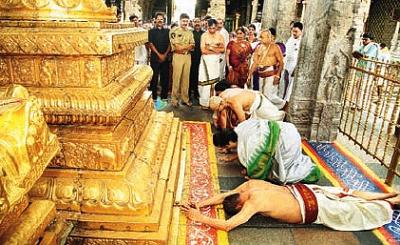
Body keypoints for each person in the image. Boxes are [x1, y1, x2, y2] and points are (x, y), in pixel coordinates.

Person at [181, 179, 397, 232]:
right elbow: (223, 196)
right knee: (347, 194)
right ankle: (388, 196)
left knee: (354, 210)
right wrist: (199, 203)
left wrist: (200, 217)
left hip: (312, 204)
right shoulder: (249, 187)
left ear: (239, 206)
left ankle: (389, 202)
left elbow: (229, 225)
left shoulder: (251, 202)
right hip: (307, 191)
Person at [213, 118, 320, 183]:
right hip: (287, 129)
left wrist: (251, 174)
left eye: (226, 147)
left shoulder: (252, 144)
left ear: (229, 142)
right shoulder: (241, 127)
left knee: (282, 172)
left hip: (287, 143)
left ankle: (305, 171)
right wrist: (233, 157)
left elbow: (258, 166)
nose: (226, 150)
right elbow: (243, 147)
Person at [248, 30, 286, 110]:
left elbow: (281, 62)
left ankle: (283, 104)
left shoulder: (275, 47)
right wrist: (249, 75)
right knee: (262, 95)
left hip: (271, 74)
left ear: (269, 37)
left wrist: (278, 75)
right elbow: (255, 63)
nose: (260, 38)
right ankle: (265, 111)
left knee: (269, 96)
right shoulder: (259, 47)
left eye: (262, 37)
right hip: (261, 74)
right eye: (260, 36)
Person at [209, 88, 285, 125]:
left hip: (260, 105)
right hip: (253, 106)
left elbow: (243, 123)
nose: (218, 111)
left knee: (277, 119)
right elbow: (222, 117)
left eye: (217, 109)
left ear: (221, 104)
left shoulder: (235, 104)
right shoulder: (223, 98)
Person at [198, 19, 225, 108]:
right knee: (205, 82)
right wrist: (215, 49)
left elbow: (222, 49)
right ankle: (204, 102)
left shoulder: (220, 36)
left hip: (215, 62)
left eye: (214, 28)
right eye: (210, 28)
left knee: (215, 82)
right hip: (206, 61)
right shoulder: (204, 36)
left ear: (216, 27)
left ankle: (213, 103)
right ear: (207, 27)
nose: (212, 30)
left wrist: (211, 48)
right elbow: (203, 50)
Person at [170, 13, 195, 107]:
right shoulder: (174, 31)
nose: (185, 23)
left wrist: (183, 47)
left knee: (186, 79)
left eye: (187, 21)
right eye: (183, 21)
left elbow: (193, 46)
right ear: (180, 21)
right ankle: (174, 100)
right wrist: (186, 47)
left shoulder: (190, 32)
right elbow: (177, 47)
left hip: (188, 57)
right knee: (176, 78)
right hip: (178, 56)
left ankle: (185, 99)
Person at [148, 12, 170, 110]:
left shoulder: (167, 31)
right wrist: (159, 55)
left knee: (165, 77)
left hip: (165, 58)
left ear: (163, 21)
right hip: (155, 58)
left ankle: (164, 96)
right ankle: (154, 97)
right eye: (158, 19)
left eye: (162, 19)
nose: (160, 21)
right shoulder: (151, 31)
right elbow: (151, 44)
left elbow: (170, 44)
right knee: (154, 78)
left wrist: (164, 55)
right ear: (155, 20)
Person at [282, 22, 303, 102]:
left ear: (301, 31)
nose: (294, 33)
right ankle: (283, 103)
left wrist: (296, 68)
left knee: (290, 91)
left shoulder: (301, 41)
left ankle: (287, 104)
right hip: (287, 67)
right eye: (293, 31)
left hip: (294, 69)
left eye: (296, 32)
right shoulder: (290, 40)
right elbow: (286, 53)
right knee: (284, 87)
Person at [189, 18, 204, 101]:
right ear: (193, 23)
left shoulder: (204, 33)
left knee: (199, 75)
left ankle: (197, 92)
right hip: (191, 57)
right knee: (191, 75)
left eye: (198, 22)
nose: (197, 23)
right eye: (195, 22)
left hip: (201, 57)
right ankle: (189, 93)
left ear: (201, 23)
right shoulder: (190, 33)